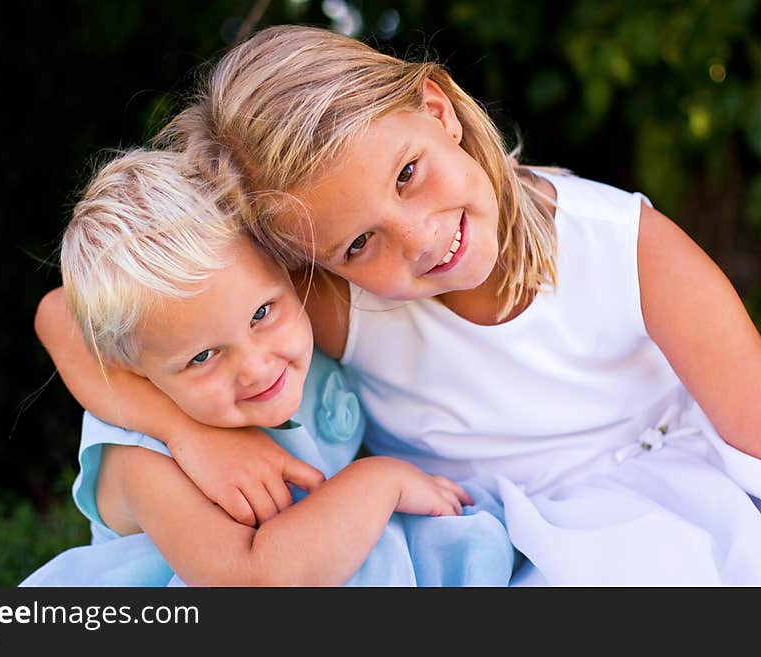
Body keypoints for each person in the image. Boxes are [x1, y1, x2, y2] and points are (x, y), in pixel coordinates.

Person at [38, 26, 761, 585]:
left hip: (661, 499)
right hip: (483, 533)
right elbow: (63, 314)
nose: (419, 240)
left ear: (438, 109)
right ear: (306, 261)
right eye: (359, 243)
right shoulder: (326, 302)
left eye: (408, 174)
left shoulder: (624, 247)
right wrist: (191, 433)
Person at [21, 148, 515, 587]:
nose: (256, 368)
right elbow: (253, 583)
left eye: (262, 314)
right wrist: (379, 481)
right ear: (129, 364)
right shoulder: (140, 461)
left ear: (285, 267)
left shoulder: (303, 327)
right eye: (201, 357)